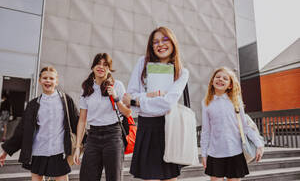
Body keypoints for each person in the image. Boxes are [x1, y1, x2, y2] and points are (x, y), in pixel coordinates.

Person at [122, 26, 189, 181]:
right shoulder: (142, 63)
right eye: (155, 42)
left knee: (170, 178)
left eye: (164, 40)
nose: (160, 44)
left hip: (169, 128)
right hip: (147, 128)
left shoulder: (181, 72)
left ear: (172, 43)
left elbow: (167, 103)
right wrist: (152, 96)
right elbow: (129, 97)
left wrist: (139, 100)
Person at [0, 66, 79, 181]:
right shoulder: (33, 104)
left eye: (51, 78)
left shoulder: (66, 100)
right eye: (45, 78)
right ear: (40, 81)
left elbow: (77, 123)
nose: (48, 81)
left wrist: (88, 144)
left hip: (59, 151)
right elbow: (22, 130)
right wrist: (5, 151)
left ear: (56, 81)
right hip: (38, 151)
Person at [73, 53, 131, 181]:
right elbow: (82, 120)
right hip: (93, 137)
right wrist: (78, 147)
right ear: (93, 66)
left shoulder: (117, 85)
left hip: (113, 136)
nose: (101, 67)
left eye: (105, 65)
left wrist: (116, 98)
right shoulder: (87, 88)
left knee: (114, 178)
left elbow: (127, 113)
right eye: (98, 63)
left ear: (109, 69)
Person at [200, 67, 264, 181]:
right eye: (218, 77)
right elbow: (206, 131)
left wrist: (259, 144)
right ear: (212, 81)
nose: (220, 80)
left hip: (235, 151)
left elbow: (245, 127)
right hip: (215, 153)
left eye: (225, 78)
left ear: (230, 85)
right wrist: (204, 154)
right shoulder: (206, 103)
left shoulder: (236, 101)